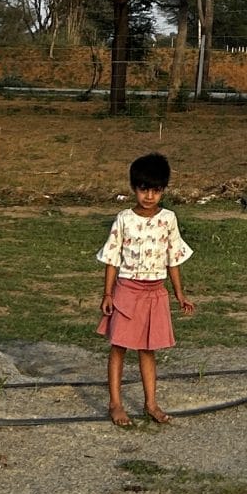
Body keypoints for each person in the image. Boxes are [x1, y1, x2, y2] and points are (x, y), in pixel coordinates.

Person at [98, 153, 193, 428]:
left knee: (148, 349)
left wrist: (179, 294)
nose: (149, 196)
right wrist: (108, 294)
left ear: (163, 190)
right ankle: (115, 404)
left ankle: (151, 403)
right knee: (119, 347)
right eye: (143, 189)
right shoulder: (123, 219)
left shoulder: (169, 219)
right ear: (134, 188)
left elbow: (173, 258)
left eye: (155, 190)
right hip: (126, 290)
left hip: (155, 291)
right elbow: (112, 258)